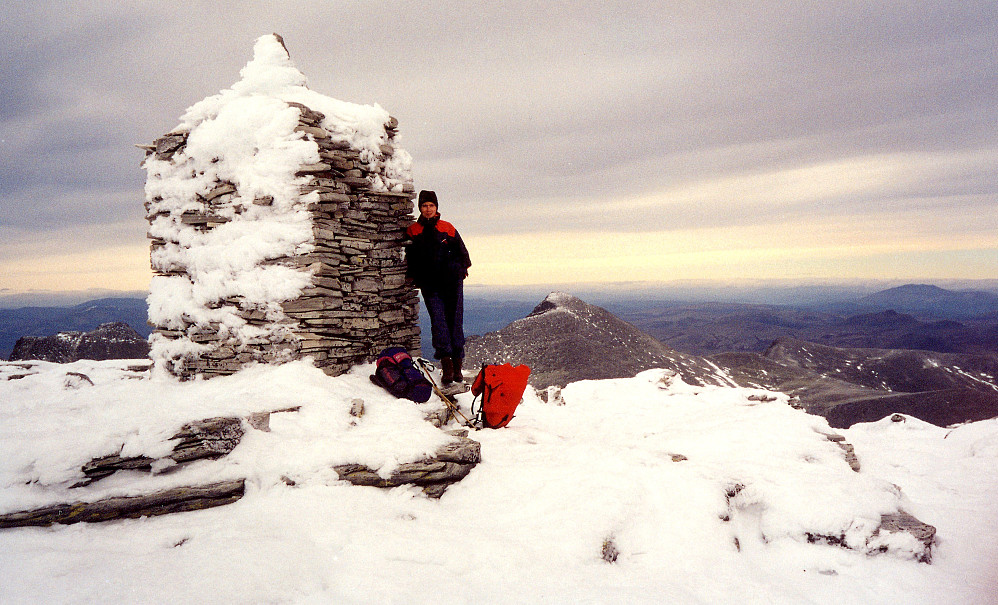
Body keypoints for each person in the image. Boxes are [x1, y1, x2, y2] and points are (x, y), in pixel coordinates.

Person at [405, 190, 472, 384]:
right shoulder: (413, 230)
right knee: (439, 323)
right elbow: (411, 257)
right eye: (424, 206)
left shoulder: (447, 228)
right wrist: (414, 276)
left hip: (452, 282)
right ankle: (447, 366)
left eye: (431, 206)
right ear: (420, 208)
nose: (428, 209)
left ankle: (457, 366)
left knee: (455, 322)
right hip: (430, 284)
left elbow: (463, 253)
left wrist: (460, 270)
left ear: (436, 208)